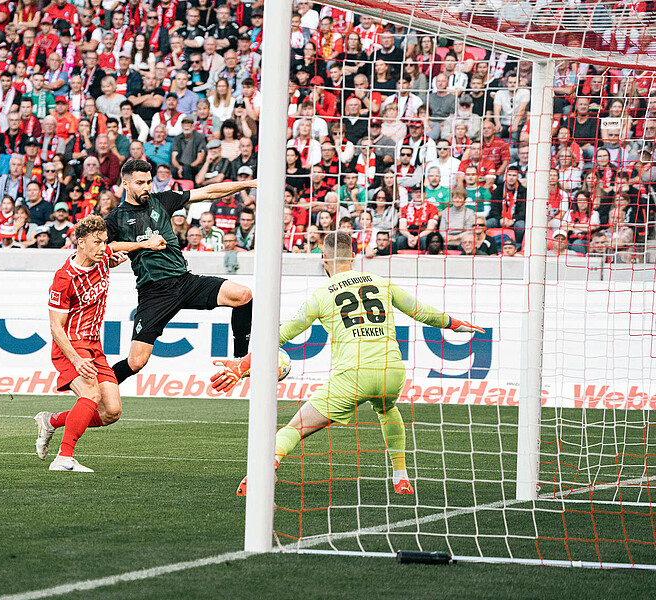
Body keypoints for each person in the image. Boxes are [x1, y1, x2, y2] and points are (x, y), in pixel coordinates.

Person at [213, 232, 485, 497]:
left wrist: (243, 364)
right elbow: (420, 311)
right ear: (353, 256)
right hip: (392, 372)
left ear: (324, 258)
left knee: (294, 428)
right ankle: (401, 477)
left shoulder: (321, 295)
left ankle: (263, 471)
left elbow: (280, 335)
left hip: (353, 376)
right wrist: (455, 323)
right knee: (387, 408)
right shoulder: (381, 282)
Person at [105, 159, 258, 383]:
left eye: (148, 181)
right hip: (154, 293)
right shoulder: (115, 219)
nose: (146, 187)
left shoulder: (162, 201)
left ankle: (240, 360)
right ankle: (96, 392)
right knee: (136, 361)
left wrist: (250, 183)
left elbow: (209, 191)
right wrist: (116, 257)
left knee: (243, 295)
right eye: (140, 182)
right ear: (125, 184)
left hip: (185, 282)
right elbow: (100, 250)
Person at [33, 215, 129, 473]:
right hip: (71, 346)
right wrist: (75, 358)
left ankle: (51, 421)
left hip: (95, 346)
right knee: (90, 394)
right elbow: (55, 327)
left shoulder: (102, 258)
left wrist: (147, 245)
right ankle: (63, 457)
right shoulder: (64, 278)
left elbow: (119, 249)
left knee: (111, 411)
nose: (103, 247)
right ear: (81, 242)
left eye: (105, 242)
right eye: (98, 243)